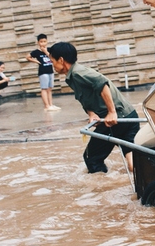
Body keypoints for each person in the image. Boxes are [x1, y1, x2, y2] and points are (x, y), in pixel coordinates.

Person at [47, 42, 140, 174]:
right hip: (130, 116)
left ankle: (102, 191)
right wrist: (92, 114)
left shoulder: (78, 73)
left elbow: (102, 84)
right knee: (132, 165)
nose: (52, 66)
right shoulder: (73, 76)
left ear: (61, 60)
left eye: (52, 62)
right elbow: (87, 98)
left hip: (117, 119)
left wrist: (111, 112)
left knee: (91, 158)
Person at [26, 33, 60, 111]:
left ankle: (51, 104)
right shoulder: (36, 52)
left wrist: (45, 51)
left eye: (44, 41)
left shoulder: (49, 50)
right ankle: (46, 105)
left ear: (47, 41)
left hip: (50, 71)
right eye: (41, 41)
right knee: (44, 88)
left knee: (49, 88)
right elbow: (28, 57)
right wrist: (36, 61)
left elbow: (52, 58)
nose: (43, 43)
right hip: (43, 72)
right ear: (38, 42)